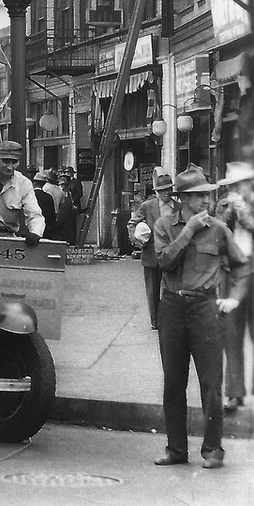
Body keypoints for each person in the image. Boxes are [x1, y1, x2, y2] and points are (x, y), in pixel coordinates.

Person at [152, 166, 249, 469]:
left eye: (206, 194)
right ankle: (176, 449)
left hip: (205, 309)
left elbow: (243, 267)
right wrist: (189, 230)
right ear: (181, 198)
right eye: (196, 196)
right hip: (172, 307)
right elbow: (165, 262)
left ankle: (213, 450)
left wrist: (233, 298)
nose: (204, 201)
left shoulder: (220, 229)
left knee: (210, 382)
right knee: (173, 382)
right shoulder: (164, 225)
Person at [217, 161, 254, 414]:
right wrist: (230, 214)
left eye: (241, 184)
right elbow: (218, 236)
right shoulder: (221, 206)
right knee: (231, 333)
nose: (237, 189)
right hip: (233, 274)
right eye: (233, 185)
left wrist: (247, 217)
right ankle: (234, 392)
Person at [128, 168, 177, 329]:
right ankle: (155, 321)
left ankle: (171, 319)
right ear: (157, 191)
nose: (166, 193)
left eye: (169, 189)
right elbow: (132, 223)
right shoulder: (148, 206)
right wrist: (137, 239)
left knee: (172, 288)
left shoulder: (178, 207)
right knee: (153, 290)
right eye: (162, 190)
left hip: (172, 254)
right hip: (151, 254)